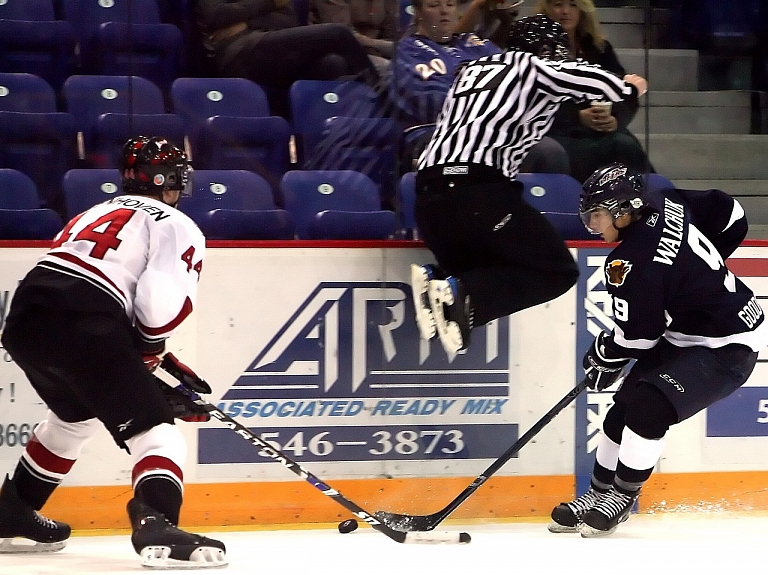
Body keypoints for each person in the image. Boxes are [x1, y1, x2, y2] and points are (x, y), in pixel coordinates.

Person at [0, 137, 226, 568]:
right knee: (156, 430)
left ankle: (12, 512)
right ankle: (156, 520)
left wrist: (151, 361)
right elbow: (158, 307)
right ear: (166, 182)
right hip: (85, 322)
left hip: (26, 319)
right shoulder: (177, 223)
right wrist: (150, 350)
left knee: (72, 418)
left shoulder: (93, 211)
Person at [549, 163, 768, 537]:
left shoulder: (628, 263)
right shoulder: (665, 201)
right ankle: (597, 495)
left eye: (597, 215)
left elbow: (639, 339)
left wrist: (606, 353)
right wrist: (694, 274)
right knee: (623, 408)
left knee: (650, 406)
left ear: (623, 210)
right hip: (690, 331)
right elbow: (732, 213)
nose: (592, 225)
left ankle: (620, 497)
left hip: (729, 342)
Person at [410, 14, 648, 356]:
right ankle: (459, 290)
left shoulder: (471, 71)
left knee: (486, 266)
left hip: (429, 199)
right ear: (546, 51)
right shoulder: (530, 66)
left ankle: (440, 279)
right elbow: (582, 79)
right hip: (476, 193)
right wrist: (626, 88)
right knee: (557, 270)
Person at [394, 0, 570, 174]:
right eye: (433, 5)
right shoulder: (408, 51)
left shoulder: (474, 44)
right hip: (437, 133)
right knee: (543, 153)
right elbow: (429, 102)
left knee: (554, 150)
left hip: (496, 129)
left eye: (449, 4)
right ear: (418, 12)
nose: (444, 11)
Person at [533, 0, 651, 183]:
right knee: (579, 153)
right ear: (546, 8)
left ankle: (636, 206)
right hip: (557, 129)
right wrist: (576, 116)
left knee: (626, 146)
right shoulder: (536, 49)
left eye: (573, 4)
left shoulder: (598, 47)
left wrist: (615, 118)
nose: (566, 11)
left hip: (601, 130)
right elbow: (530, 98)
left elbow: (623, 92)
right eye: (558, 4)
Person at [195, 0, 378, 117]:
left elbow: (287, 22)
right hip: (239, 52)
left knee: (333, 63)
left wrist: (246, 21)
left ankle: (323, 142)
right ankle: (385, 101)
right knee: (338, 33)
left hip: (274, 48)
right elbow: (216, 15)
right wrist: (270, 4)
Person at [308, 0, 400, 76]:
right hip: (338, 51)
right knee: (392, 70)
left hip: (375, 50)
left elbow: (390, 33)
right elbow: (343, 34)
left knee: (409, 65)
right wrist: (393, 47)